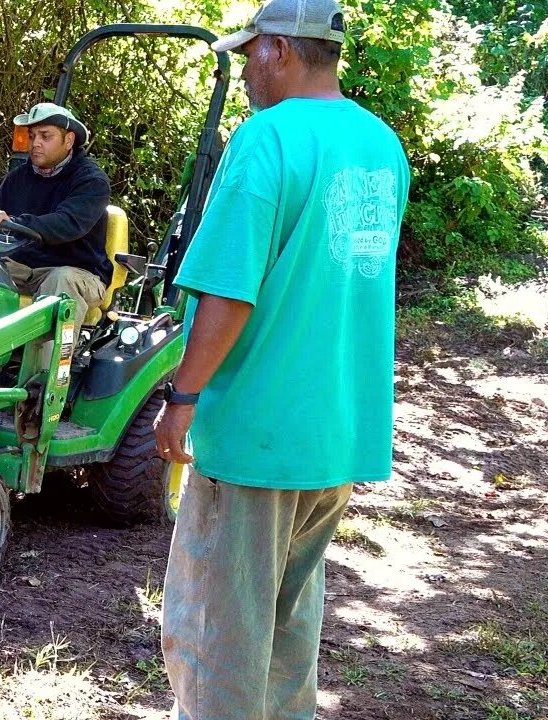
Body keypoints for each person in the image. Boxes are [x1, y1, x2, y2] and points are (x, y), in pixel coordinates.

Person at [151, 0, 410, 717]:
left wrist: (184, 396)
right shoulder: (381, 144)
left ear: (280, 52)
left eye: (249, 54)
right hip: (335, 431)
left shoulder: (267, 138)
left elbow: (230, 292)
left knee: (218, 635)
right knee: (289, 629)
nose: (243, 72)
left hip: (257, 433)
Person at [0, 102, 112, 326]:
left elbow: (66, 224)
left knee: (61, 280)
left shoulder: (91, 181)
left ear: (68, 141)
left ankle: (45, 361)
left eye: (45, 136)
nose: (35, 143)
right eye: (32, 136)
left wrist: (14, 222)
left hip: (78, 272)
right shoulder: (15, 179)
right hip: (23, 268)